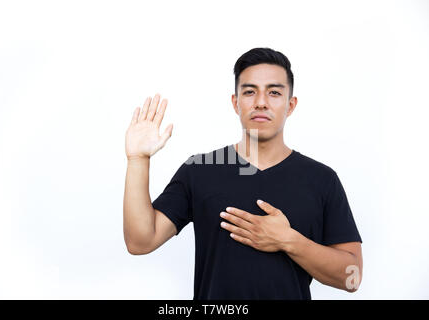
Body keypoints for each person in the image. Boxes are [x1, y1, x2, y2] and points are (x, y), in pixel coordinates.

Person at [123, 47, 363, 300]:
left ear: (290, 105)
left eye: (274, 92)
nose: (261, 102)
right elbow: (140, 242)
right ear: (236, 103)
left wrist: (288, 240)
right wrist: (138, 160)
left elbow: (352, 277)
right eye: (250, 92)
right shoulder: (200, 171)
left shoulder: (322, 180)